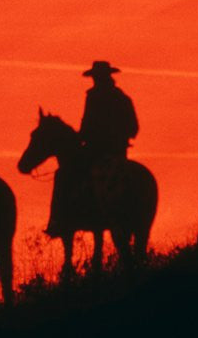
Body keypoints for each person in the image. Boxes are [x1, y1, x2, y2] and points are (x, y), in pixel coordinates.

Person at [45, 60, 138, 238]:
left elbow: (87, 125)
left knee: (64, 175)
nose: (95, 80)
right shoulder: (122, 98)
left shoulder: (93, 97)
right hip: (119, 151)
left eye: (96, 77)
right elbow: (133, 127)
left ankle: (59, 221)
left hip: (96, 150)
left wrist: (83, 137)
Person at [80, 60, 138, 159]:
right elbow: (87, 120)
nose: (96, 79)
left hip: (114, 147)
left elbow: (132, 126)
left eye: (98, 76)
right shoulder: (92, 96)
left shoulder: (119, 98)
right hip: (93, 144)